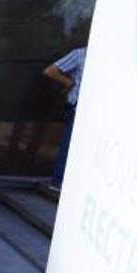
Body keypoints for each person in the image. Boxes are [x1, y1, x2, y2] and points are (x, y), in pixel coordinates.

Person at [43, 46, 86, 189]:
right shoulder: (80, 54)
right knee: (68, 145)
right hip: (76, 105)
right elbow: (51, 71)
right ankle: (58, 181)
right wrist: (70, 83)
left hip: (93, 109)